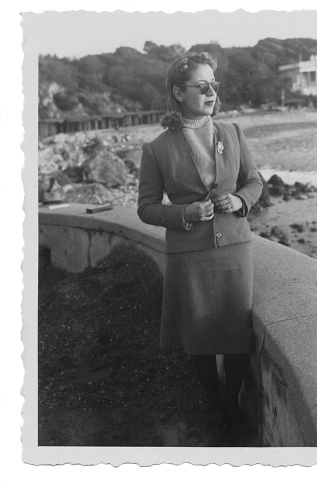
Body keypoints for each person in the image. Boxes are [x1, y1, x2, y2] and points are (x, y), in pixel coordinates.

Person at [137, 52, 263, 426]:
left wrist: (239, 200)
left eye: (214, 85)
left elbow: (255, 182)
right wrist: (185, 214)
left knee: (238, 331)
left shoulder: (233, 132)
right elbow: (145, 208)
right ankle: (214, 405)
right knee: (200, 334)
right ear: (178, 92)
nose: (211, 92)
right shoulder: (157, 148)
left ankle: (232, 400)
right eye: (201, 86)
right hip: (190, 254)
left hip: (234, 249)